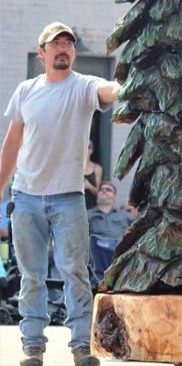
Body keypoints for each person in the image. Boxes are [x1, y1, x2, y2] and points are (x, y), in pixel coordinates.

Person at [0, 22, 120, 366]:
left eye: (69, 43)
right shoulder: (25, 91)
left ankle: (82, 347)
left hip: (68, 198)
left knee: (75, 273)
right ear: (43, 53)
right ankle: (33, 348)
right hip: (25, 197)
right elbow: (11, 143)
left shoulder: (83, 87)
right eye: (56, 44)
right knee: (31, 276)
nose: (63, 48)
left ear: (74, 53)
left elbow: (107, 90)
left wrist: (124, 88)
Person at [87, 182, 133, 283]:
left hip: (119, 251)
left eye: (108, 190)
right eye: (101, 189)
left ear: (114, 197)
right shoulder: (87, 215)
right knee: (94, 242)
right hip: (97, 251)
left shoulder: (125, 215)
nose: (104, 191)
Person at [83, 140, 103, 209]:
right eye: (83, 146)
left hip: (91, 207)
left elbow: (100, 193)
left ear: (91, 150)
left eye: (87, 147)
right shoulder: (73, 167)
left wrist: (89, 186)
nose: (85, 149)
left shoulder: (97, 168)